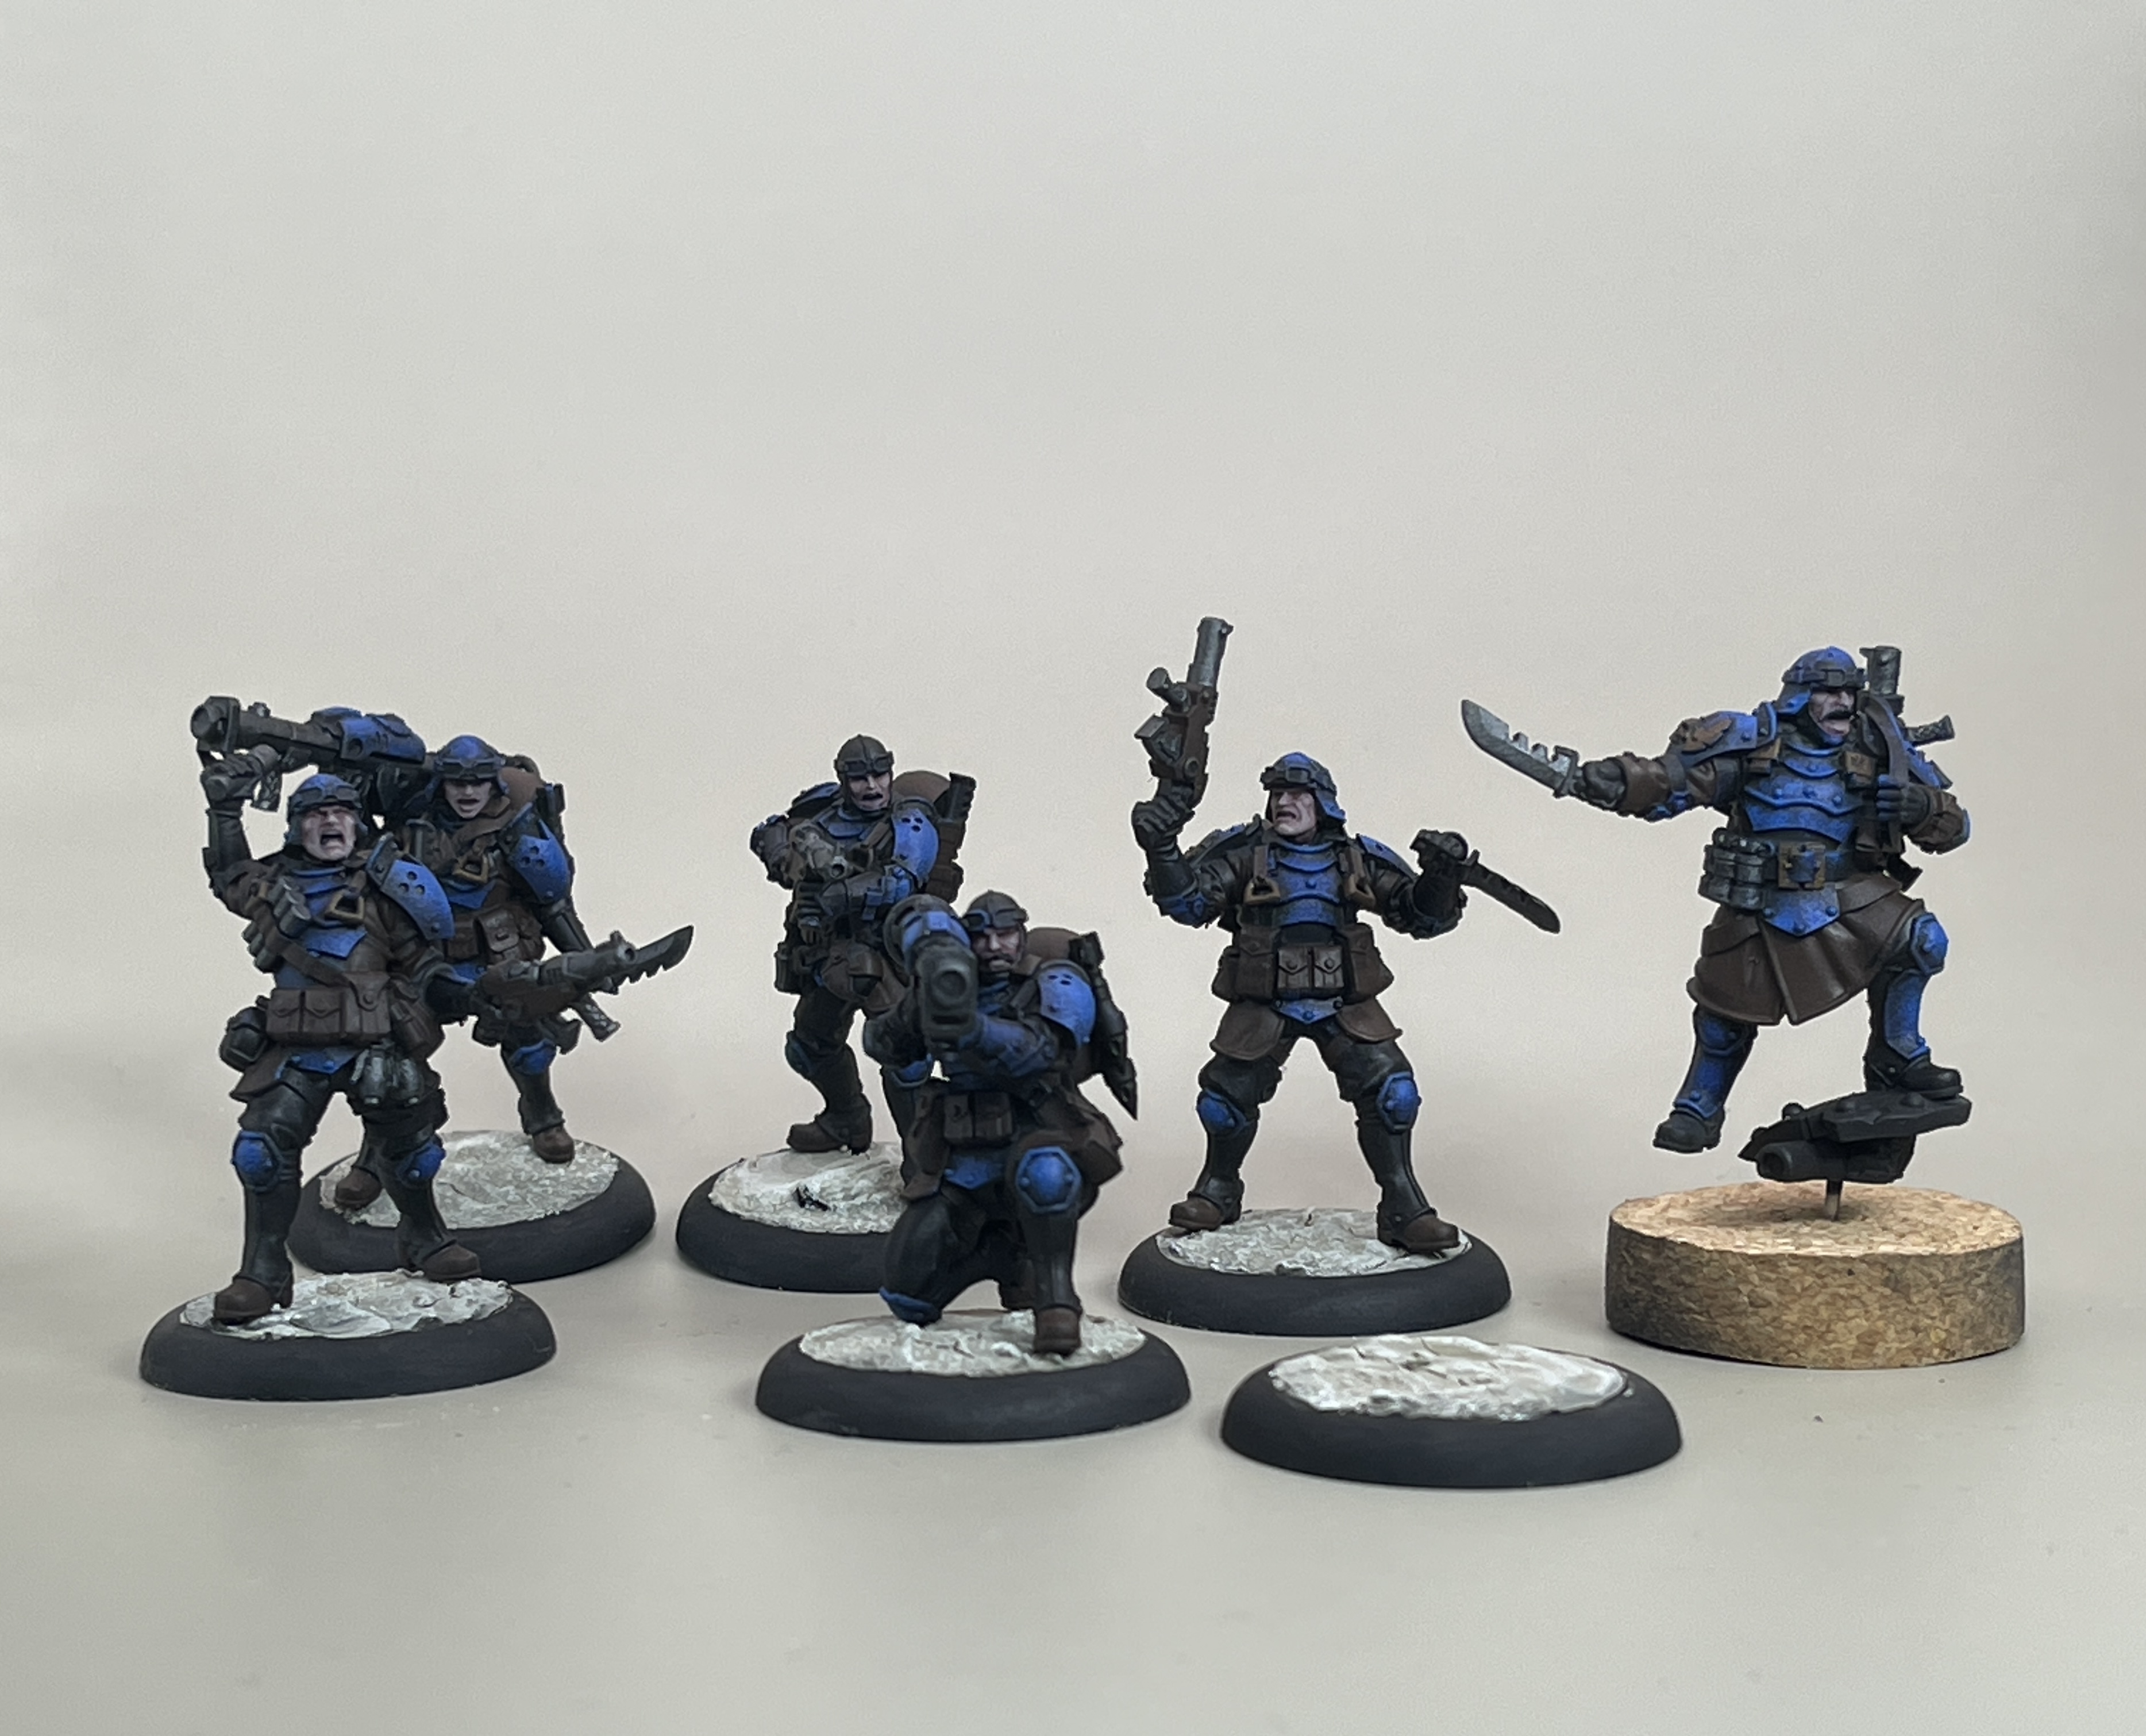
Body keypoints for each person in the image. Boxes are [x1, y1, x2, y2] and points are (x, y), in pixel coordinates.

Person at [1567, 646, 1968, 1150]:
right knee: (1722, 1010)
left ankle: (1898, 1052)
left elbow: (1954, 828)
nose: (1842, 702)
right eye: (1828, 691)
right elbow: (1677, 784)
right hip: (1759, 899)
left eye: (1849, 691)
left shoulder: (1880, 748)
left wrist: (1920, 806)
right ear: (1800, 696)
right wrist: (1621, 781)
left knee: (1921, 939)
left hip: (1849, 895)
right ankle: (1698, 1106)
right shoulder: (1756, 747)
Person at [1131, 752, 1471, 1254]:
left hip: (1343, 1001)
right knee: (1223, 1102)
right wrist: (1160, 849)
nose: (1283, 802)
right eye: (1276, 793)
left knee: (1393, 1095)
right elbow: (1188, 903)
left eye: (1296, 793)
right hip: (1265, 999)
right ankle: (1218, 1188)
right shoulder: (1244, 854)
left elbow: (1419, 917)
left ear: (1323, 802)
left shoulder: (1354, 857)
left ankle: (1404, 1205)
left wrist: (1440, 878)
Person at [200, 757, 483, 1323]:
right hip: (297, 1041)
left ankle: (424, 1237)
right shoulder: (274, 882)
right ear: (296, 826)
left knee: (415, 1151)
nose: (330, 822)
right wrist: (224, 810)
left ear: (358, 823)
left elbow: (423, 961)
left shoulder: (387, 884)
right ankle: (263, 1272)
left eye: (341, 812)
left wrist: (472, 993)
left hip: (375, 1039)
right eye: (316, 814)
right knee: (260, 1152)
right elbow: (229, 875)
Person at [325, 735, 596, 1211]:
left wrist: (585, 959)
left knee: (529, 1041)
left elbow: (552, 901)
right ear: (441, 783)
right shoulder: (411, 821)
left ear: (494, 783)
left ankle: (543, 1115)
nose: (467, 792)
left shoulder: (516, 824)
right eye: (456, 782)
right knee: (390, 1060)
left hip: (499, 952)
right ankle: (376, 1156)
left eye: (477, 782)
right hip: (423, 959)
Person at [863, 891, 1128, 1356]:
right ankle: (999, 1256)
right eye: (980, 936)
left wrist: (971, 1028)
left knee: (1046, 1175)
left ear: (1021, 934)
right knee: (907, 1294)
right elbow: (883, 1046)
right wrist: (919, 1003)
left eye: (1004, 935)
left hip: (1038, 1132)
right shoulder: (951, 981)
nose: (992, 947)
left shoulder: (1054, 979)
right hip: (963, 1153)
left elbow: (1042, 1050)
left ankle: (1056, 1301)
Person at [749, 735, 970, 1152]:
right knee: (809, 1045)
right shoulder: (825, 806)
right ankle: (846, 1119)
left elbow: (903, 879)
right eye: (859, 778)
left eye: (879, 775)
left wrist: (841, 894)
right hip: (829, 953)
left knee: (905, 1060)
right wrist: (785, 857)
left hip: (883, 953)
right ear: (843, 779)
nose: (872, 786)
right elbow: (769, 828)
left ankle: (923, 1156)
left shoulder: (909, 822)